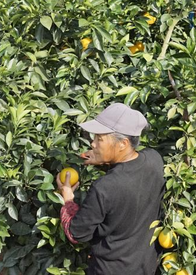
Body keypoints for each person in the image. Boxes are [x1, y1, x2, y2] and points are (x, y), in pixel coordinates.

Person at [56, 103, 164, 275]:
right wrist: (103, 161)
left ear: (122, 143)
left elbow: (77, 234)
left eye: (100, 139)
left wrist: (68, 199)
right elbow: (130, 173)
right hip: (146, 267)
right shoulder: (155, 160)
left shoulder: (104, 188)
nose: (93, 143)